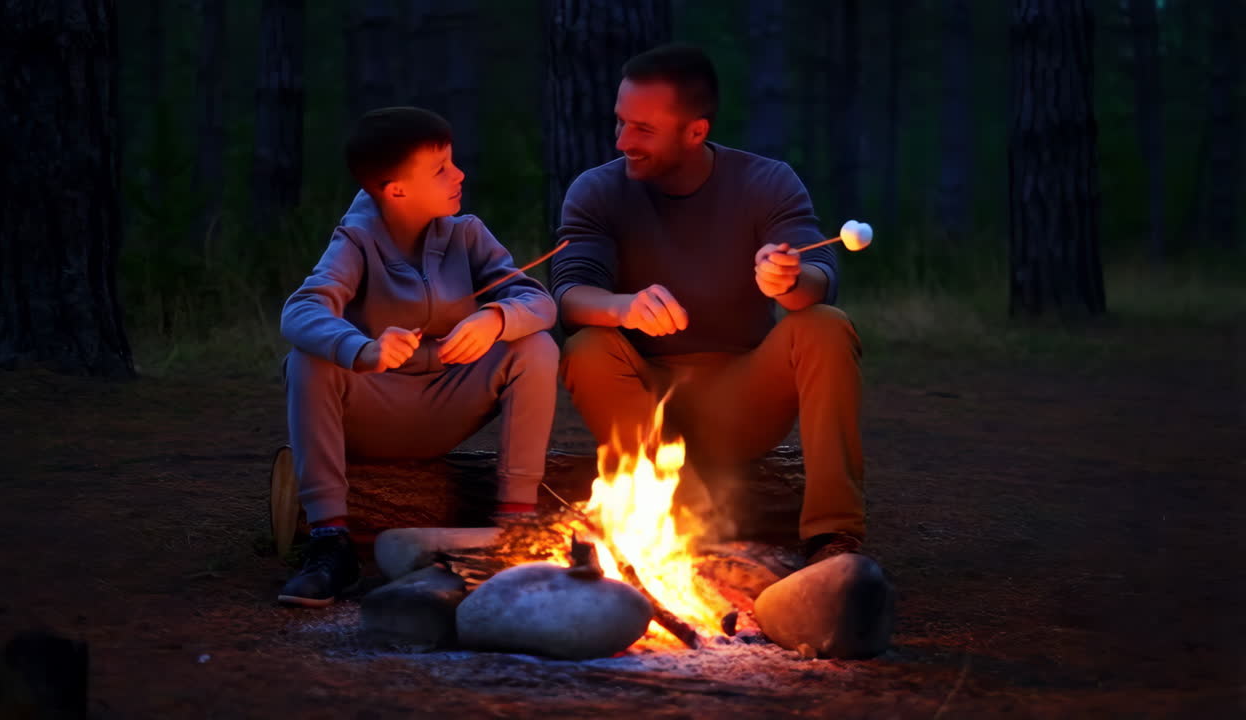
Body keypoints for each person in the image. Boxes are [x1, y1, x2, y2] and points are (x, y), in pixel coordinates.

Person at [550, 45, 865, 565]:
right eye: (620, 123)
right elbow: (568, 296)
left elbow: (819, 281)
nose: (623, 141)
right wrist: (624, 306)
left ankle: (835, 538)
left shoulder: (766, 183)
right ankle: (688, 524)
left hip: (741, 400)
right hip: (640, 400)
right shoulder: (598, 191)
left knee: (826, 326)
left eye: (643, 129)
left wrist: (786, 279)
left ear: (695, 131)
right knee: (587, 344)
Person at [276, 107, 558, 607]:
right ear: (396, 189)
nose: (460, 174)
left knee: (535, 345)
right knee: (308, 359)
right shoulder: (356, 240)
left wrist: (494, 319)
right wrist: (363, 349)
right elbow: (301, 309)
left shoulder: (466, 233)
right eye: (441, 169)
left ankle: (517, 529)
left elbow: (538, 302)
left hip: (448, 401)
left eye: (453, 162)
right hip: (374, 410)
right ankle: (330, 542)